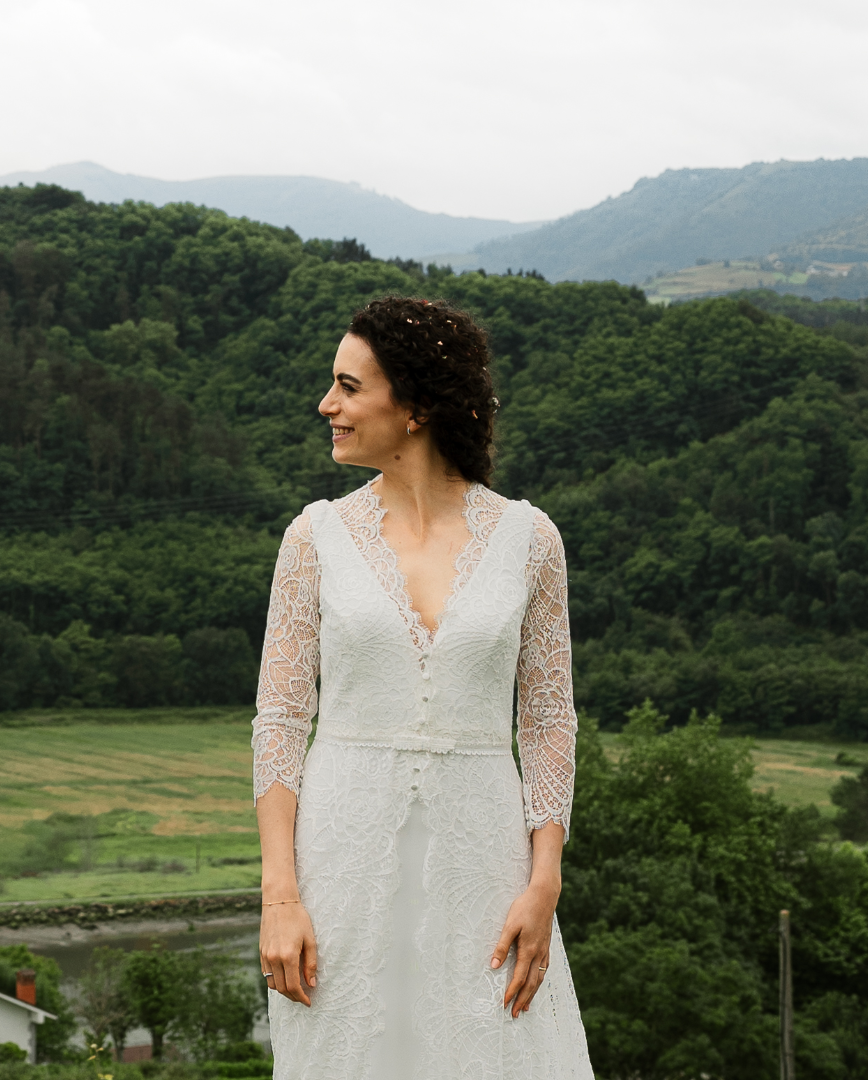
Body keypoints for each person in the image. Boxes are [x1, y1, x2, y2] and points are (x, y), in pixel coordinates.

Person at [252, 296, 592, 1077]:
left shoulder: (531, 541)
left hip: (489, 867)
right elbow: (278, 720)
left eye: (347, 385)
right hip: (341, 865)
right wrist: (281, 897)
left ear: (415, 407)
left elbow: (547, 721)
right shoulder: (313, 538)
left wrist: (545, 883)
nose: (325, 404)